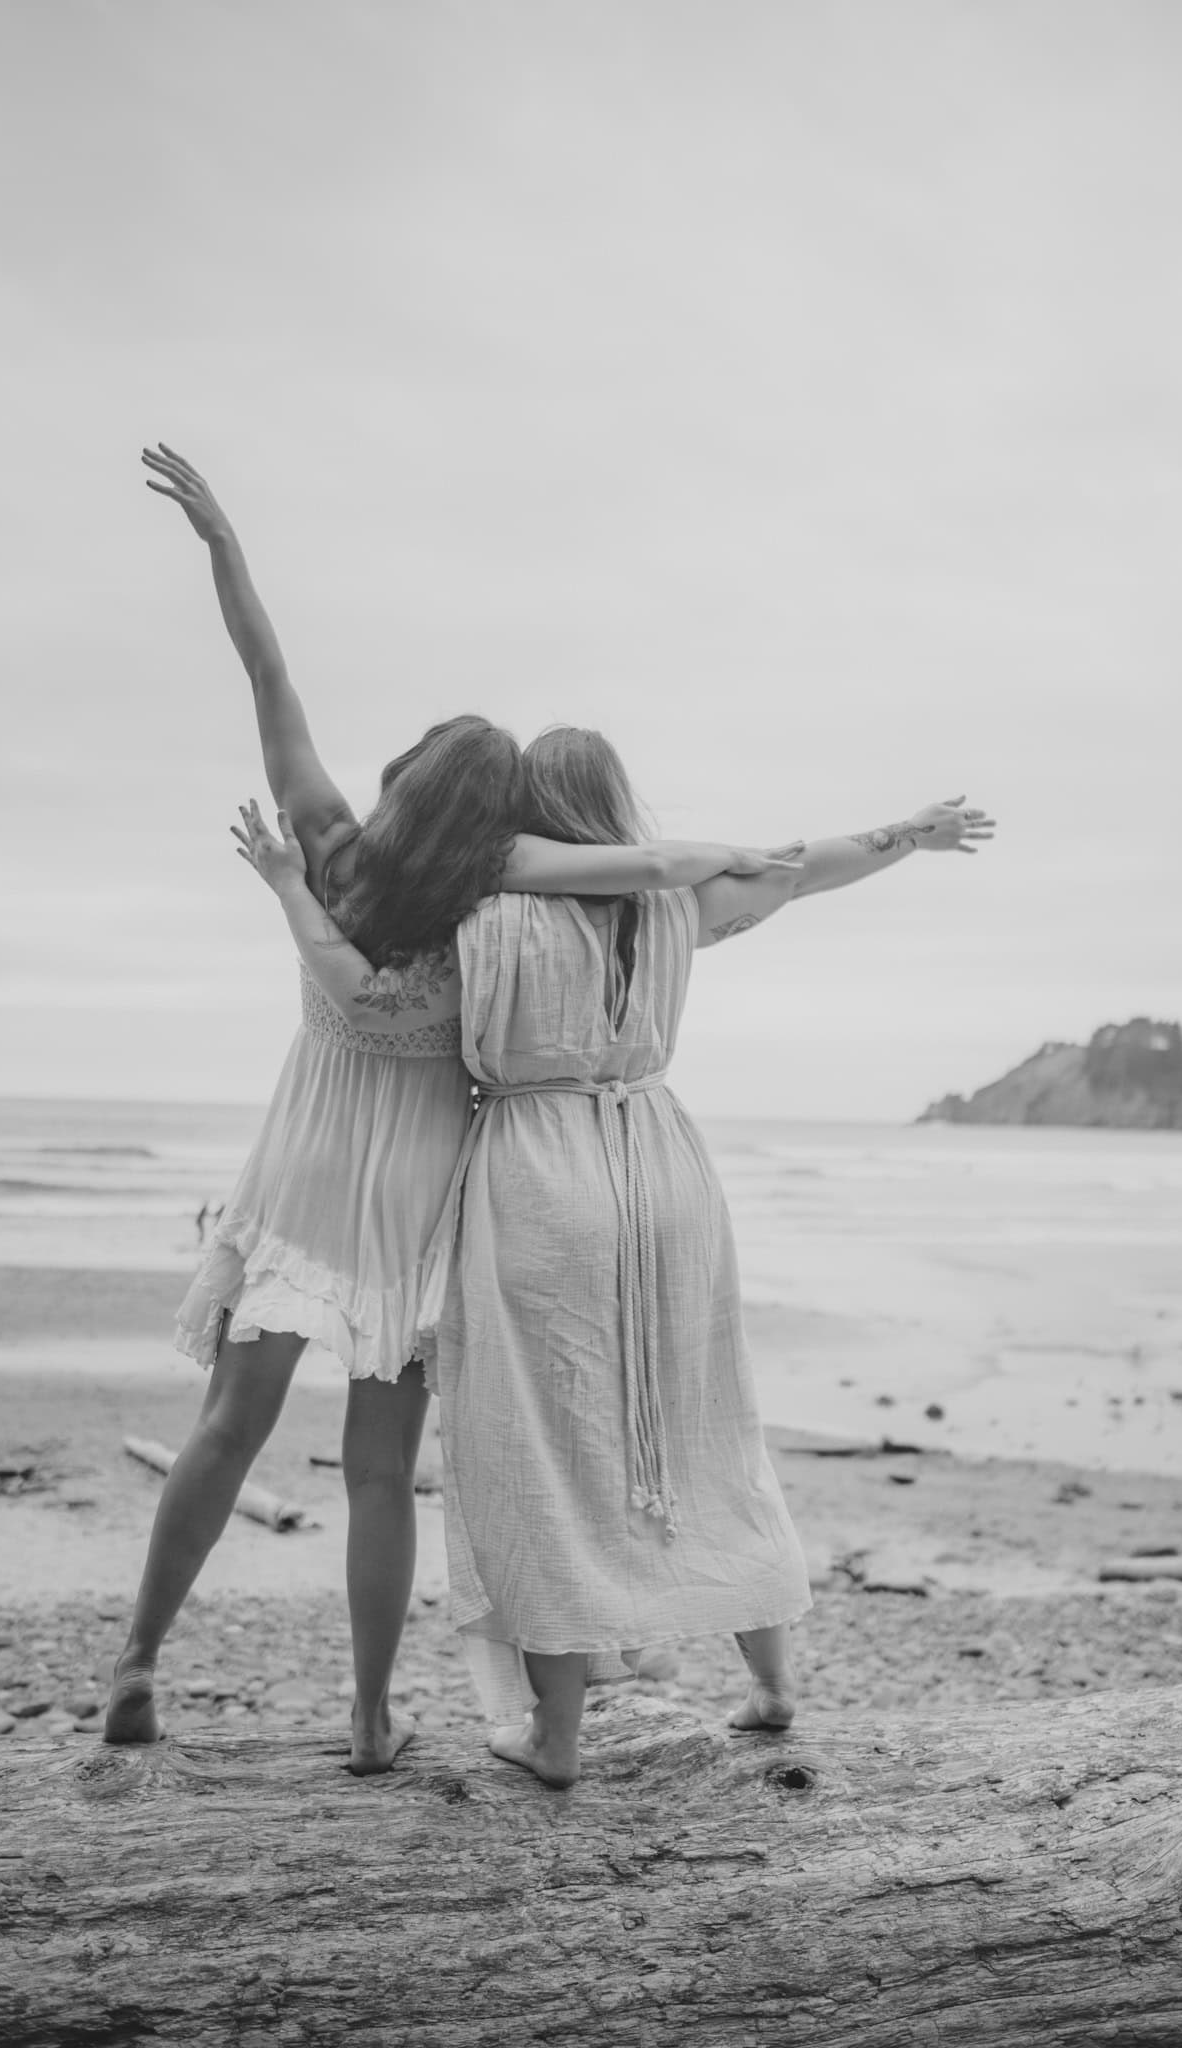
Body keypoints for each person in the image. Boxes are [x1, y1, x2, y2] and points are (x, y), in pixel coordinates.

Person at [105, 450, 798, 1769]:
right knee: (379, 1473)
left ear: (404, 780)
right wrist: (719, 854)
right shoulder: (487, 912)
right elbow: (635, 867)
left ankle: (136, 1662)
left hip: (298, 1182)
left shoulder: (328, 852)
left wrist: (222, 545)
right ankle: (370, 1717)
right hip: (422, 1209)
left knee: (228, 1427)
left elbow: (268, 674)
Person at [237, 728, 993, 1787]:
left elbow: (370, 999)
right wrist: (911, 833)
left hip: (538, 1169)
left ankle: (554, 1734)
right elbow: (806, 865)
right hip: (662, 1159)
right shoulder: (675, 905)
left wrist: (291, 888)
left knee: (534, 1448)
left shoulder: (483, 919)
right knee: (707, 1421)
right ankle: (772, 1682)